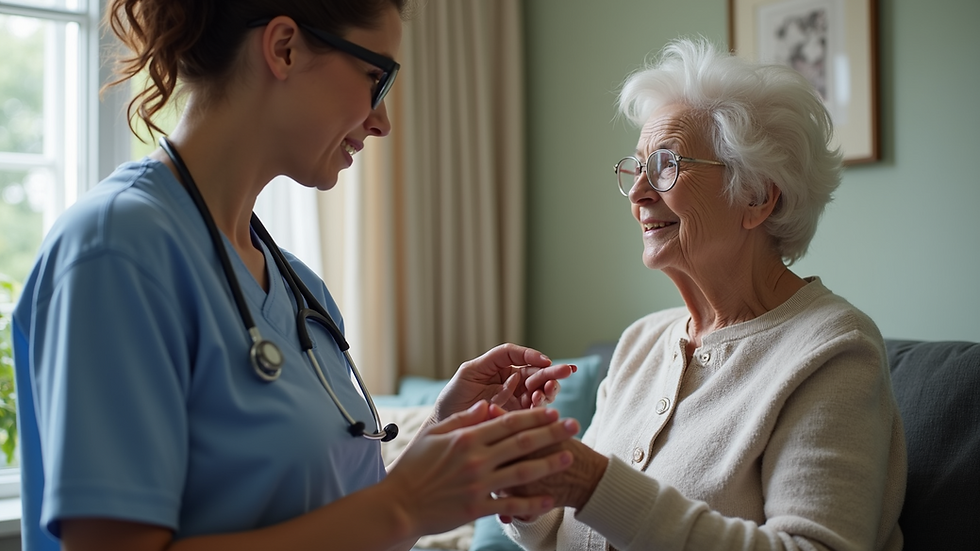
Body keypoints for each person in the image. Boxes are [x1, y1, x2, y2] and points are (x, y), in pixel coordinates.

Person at [11, 1, 583, 550]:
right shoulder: (117, 251)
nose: (382, 120)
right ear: (283, 48)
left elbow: (352, 528)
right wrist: (406, 503)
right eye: (374, 78)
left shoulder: (299, 287)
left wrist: (443, 436)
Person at [501, 38, 907, 550]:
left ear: (757, 197)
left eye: (667, 165)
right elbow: (567, 534)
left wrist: (591, 482)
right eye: (637, 168)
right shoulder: (641, 342)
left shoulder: (833, 351)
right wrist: (528, 492)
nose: (640, 193)